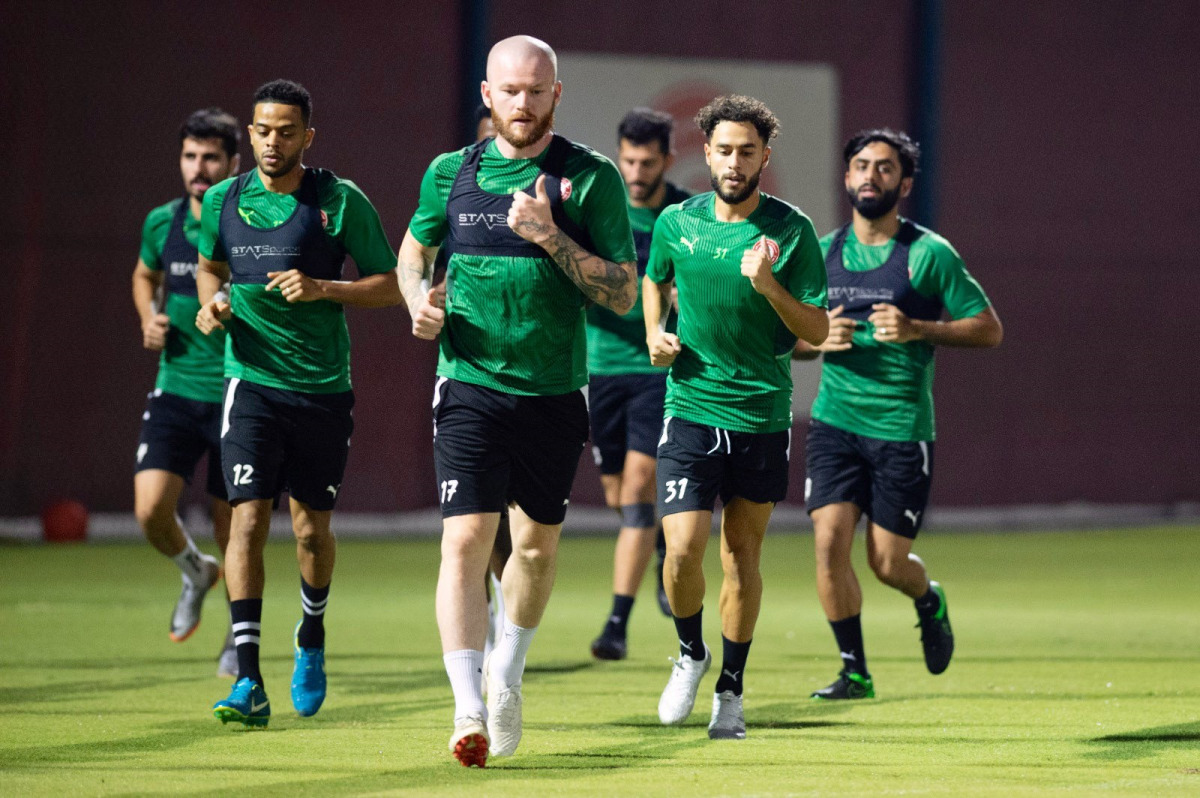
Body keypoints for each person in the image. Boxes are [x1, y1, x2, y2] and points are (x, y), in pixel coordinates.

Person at [398, 35, 637, 766]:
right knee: (464, 540)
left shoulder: (589, 179)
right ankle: (468, 706)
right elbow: (414, 253)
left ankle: (507, 671)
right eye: (510, 91)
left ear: (556, 94)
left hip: (554, 393)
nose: (523, 104)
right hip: (468, 384)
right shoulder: (451, 173)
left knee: (532, 549)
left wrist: (549, 237)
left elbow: (624, 292)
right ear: (487, 94)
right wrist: (417, 302)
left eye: (536, 91)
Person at [194, 79, 401, 727]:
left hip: (320, 390)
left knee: (311, 530)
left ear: (307, 136)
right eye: (262, 129)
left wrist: (323, 288)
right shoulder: (223, 200)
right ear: (248, 134)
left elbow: (393, 285)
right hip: (249, 384)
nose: (272, 141)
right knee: (246, 521)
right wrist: (213, 302)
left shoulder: (338, 202)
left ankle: (311, 637)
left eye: (286, 131)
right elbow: (209, 266)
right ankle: (247, 679)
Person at [794, 128, 1003, 700]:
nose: (870, 176)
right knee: (827, 543)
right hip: (835, 423)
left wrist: (918, 328)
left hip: (901, 428)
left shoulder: (928, 254)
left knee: (886, 562)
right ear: (846, 177)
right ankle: (853, 671)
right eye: (861, 166)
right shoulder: (821, 250)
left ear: (904, 183)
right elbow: (787, 340)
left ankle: (928, 598)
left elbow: (988, 329)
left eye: (885, 169)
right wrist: (816, 340)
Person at [644, 95, 828, 740]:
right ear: (707, 152)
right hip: (691, 405)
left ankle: (732, 690)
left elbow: (820, 328)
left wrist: (770, 285)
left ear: (764, 158)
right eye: (723, 149)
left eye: (746, 151)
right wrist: (653, 331)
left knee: (740, 554)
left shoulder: (792, 231)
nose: (733, 161)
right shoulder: (676, 221)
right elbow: (655, 278)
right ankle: (691, 652)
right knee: (681, 549)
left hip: (760, 415)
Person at [131, 107, 240, 678]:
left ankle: (236, 640)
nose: (199, 169)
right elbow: (145, 274)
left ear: (232, 163)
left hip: (234, 394)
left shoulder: (247, 224)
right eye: (190, 157)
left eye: (211, 158)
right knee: (150, 511)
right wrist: (148, 315)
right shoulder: (162, 222)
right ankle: (194, 571)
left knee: (233, 531)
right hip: (174, 389)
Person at [587, 108, 690, 661]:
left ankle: (616, 625)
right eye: (627, 159)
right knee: (616, 495)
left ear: (667, 161)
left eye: (647, 162)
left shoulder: (683, 214)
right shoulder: (602, 209)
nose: (634, 170)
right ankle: (655, 549)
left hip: (656, 367)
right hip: (601, 368)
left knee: (637, 484)